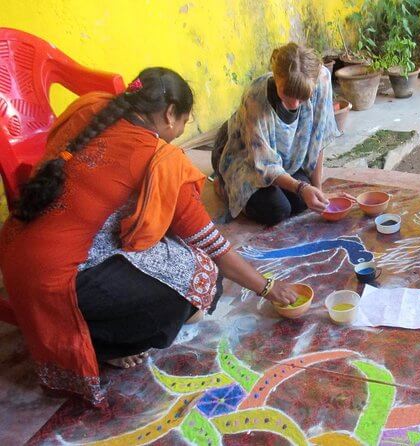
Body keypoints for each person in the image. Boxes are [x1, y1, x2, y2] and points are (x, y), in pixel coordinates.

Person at [0, 68, 297, 405]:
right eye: (184, 121)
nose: (182, 131)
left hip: (14, 257)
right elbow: (212, 244)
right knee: (203, 279)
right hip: (58, 284)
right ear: (170, 114)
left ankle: (93, 325)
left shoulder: (89, 108)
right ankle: (101, 345)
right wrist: (268, 288)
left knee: (175, 256)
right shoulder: (160, 159)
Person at [212, 42, 339, 226]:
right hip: (241, 152)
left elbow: (318, 136)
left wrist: (317, 189)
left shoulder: (322, 80)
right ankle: (223, 185)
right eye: (286, 93)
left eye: (302, 97)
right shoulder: (255, 97)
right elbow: (263, 164)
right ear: (276, 76)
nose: (294, 104)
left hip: (284, 158)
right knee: (277, 210)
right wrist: (302, 187)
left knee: (302, 203)